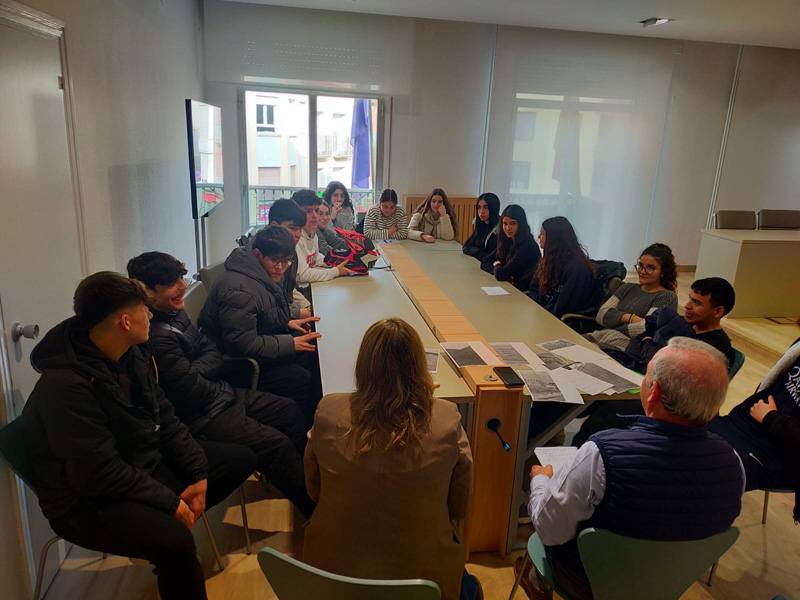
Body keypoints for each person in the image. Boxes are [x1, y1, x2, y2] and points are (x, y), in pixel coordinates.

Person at [23, 272, 256, 600]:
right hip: (85, 500)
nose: (150, 314)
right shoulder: (65, 387)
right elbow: (97, 474)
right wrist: (170, 503)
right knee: (176, 542)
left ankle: (164, 529)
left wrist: (198, 472)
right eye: (144, 309)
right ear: (125, 321)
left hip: (137, 464)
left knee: (241, 458)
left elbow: (166, 417)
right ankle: (168, 543)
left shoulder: (132, 353)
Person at [519, 338, 743, 600]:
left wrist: (540, 481)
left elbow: (549, 530)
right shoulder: (735, 464)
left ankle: (536, 582)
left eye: (646, 375)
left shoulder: (601, 453)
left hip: (588, 582)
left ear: (653, 391)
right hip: (669, 584)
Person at [127, 252, 315, 518]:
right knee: (277, 445)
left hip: (219, 393)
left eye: (181, 278)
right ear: (145, 290)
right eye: (170, 283)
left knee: (289, 411)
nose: (182, 286)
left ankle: (308, 483)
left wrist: (197, 369)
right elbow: (191, 391)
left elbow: (210, 350)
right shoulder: (155, 336)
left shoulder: (174, 313)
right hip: (203, 415)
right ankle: (316, 513)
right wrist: (204, 373)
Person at [303, 318, 477, 600]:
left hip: (333, 581)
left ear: (363, 364)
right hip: (423, 584)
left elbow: (314, 491)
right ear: (418, 367)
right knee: (472, 587)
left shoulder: (327, 410)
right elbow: (460, 505)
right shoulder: (446, 418)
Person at [572, 277, 738, 447]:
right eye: (690, 298)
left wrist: (648, 344)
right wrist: (648, 346)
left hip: (667, 404)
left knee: (607, 414)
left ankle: (581, 452)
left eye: (697, 303)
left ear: (718, 312)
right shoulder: (679, 323)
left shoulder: (714, 347)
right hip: (640, 376)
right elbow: (640, 343)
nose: (687, 306)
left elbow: (663, 369)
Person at [198, 226, 321, 420]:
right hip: (239, 367)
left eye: (286, 261)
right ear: (257, 254)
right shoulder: (237, 288)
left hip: (263, 343)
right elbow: (241, 344)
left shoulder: (260, 273)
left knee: (314, 355)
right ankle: (303, 427)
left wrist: (288, 322)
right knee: (306, 381)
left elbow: (263, 311)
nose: (281, 267)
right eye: (275, 260)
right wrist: (290, 343)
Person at [708, 325, 800, 522]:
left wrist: (771, 418)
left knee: (703, 472)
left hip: (778, 453)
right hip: (746, 423)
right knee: (680, 443)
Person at [584, 243, 678, 351]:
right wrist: (631, 318)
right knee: (571, 344)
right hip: (601, 336)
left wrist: (613, 323)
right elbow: (601, 315)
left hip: (626, 349)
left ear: (663, 272)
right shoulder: (627, 288)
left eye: (650, 268)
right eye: (640, 265)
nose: (642, 271)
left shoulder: (666, 297)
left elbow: (645, 328)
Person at [528, 216, 593, 318]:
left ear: (553, 238)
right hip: (541, 314)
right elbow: (534, 288)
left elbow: (563, 307)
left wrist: (541, 311)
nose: (538, 237)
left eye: (542, 234)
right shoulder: (550, 260)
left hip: (558, 321)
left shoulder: (575, 268)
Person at [291, 189, 353, 286]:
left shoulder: (313, 234)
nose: (315, 215)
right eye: (308, 211)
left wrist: (335, 262)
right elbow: (302, 275)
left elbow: (316, 257)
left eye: (316, 211)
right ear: (296, 214)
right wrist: (335, 271)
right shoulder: (295, 239)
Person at [480, 204, 540, 292]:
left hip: (525, 293)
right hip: (512, 288)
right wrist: (497, 271)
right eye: (505, 223)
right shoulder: (508, 241)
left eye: (513, 224)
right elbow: (485, 262)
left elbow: (501, 275)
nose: (508, 228)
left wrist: (497, 264)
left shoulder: (527, 246)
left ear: (521, 224)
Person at [269, 198, 312, 319]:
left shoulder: (290, 252)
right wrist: (298, 313)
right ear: (274, 226)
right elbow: (268, 305)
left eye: (300, 229)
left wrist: (306, 307)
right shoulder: (262, 257)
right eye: (293, 228)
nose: (298, 234)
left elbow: (287, 292)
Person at [462, 192, 501, 261]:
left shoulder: (498, 229)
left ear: (494, 209)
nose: (481, 212)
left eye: (486, 207)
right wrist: (480, 253)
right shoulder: (481, 224)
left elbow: (492, 257)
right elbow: (466, 246)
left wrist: (477, 252)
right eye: (479, 208)